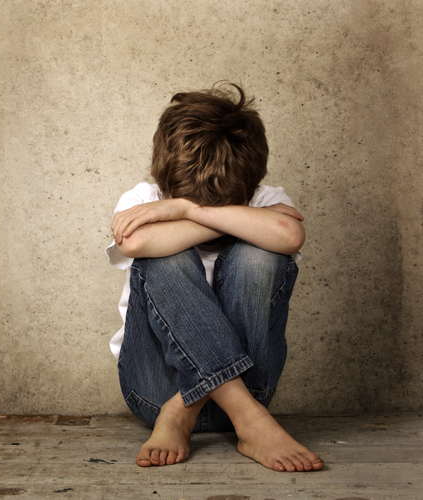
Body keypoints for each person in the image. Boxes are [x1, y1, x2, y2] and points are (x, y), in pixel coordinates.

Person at [105, 83, 324, 472]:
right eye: (187, 201)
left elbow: (289, 234)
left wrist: (188, 210)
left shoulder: (264, 196)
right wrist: (208, 215)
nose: (198, 208)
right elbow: (137, 243)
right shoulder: (144, 199)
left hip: (253, 388)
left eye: (221, 205)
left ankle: (187, 408)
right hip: (155, 392)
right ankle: (249, 421)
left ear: (251, 184)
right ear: (161, 174)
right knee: (163, 259)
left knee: (262, 254)